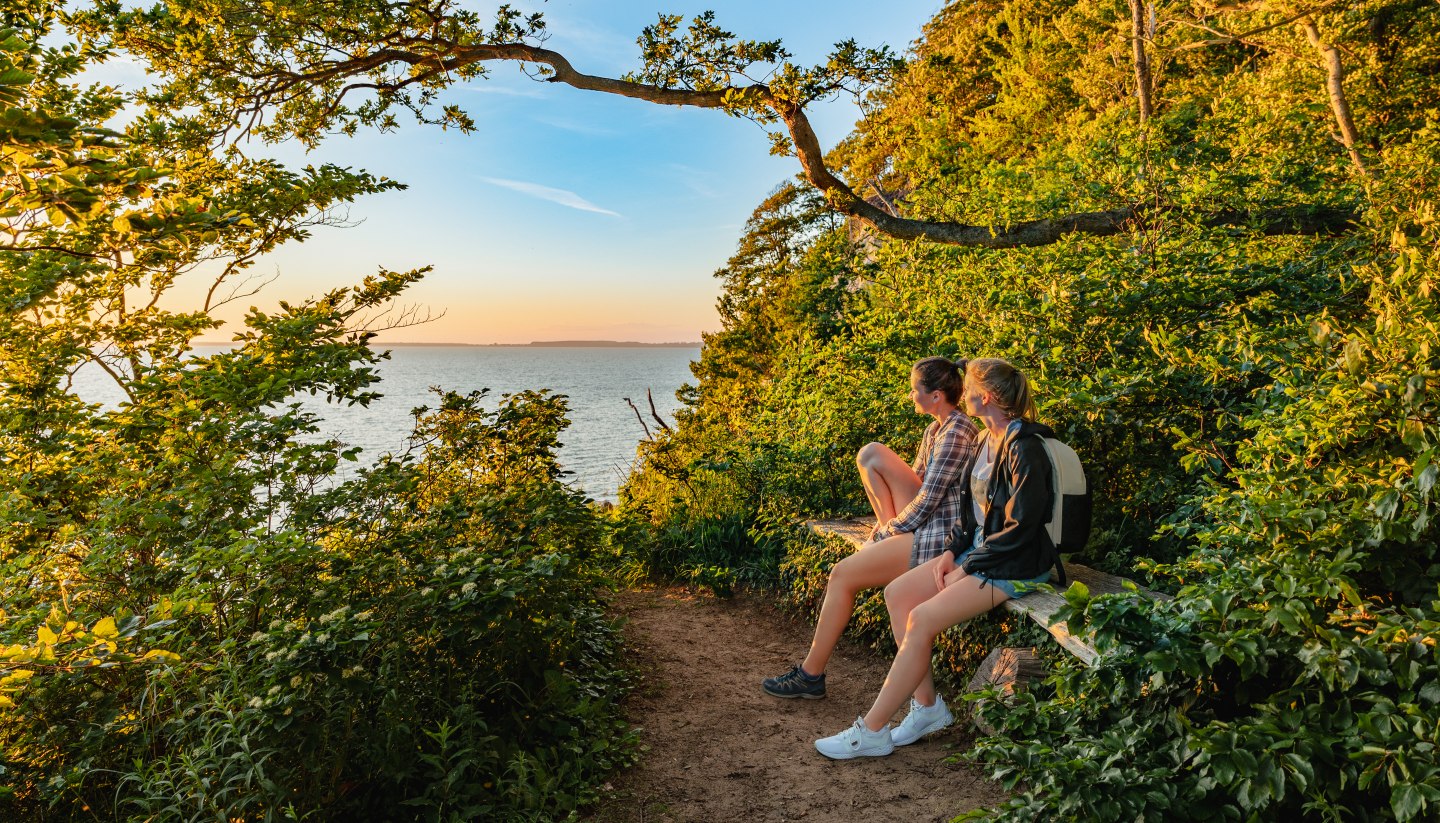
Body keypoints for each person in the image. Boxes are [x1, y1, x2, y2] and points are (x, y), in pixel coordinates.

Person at [812, 357, 1067, 759]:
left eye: (968, 388)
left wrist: (967, 564)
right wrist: (952, 551)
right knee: (898, 595)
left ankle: (873, 730)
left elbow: (1022, 529)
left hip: (1015, 565)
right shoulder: (985, 442)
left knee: (923, 618)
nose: (961, 393)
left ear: (987, 397)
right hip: (978, 554)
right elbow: (968, 514)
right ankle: (928, 707)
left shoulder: (1025, 448)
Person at [762, 356, 978, 700]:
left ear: (936, 396)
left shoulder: (956, 432)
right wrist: (889, 529)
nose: (911, 395)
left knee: (842, 574)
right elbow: (918, 480)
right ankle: (817, 675)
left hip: (938, 536)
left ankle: (810, 675)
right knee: (870, 455)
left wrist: (890, 530)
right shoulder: (936, 428)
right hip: (924, 526)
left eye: (915, 390)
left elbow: (929, 500)